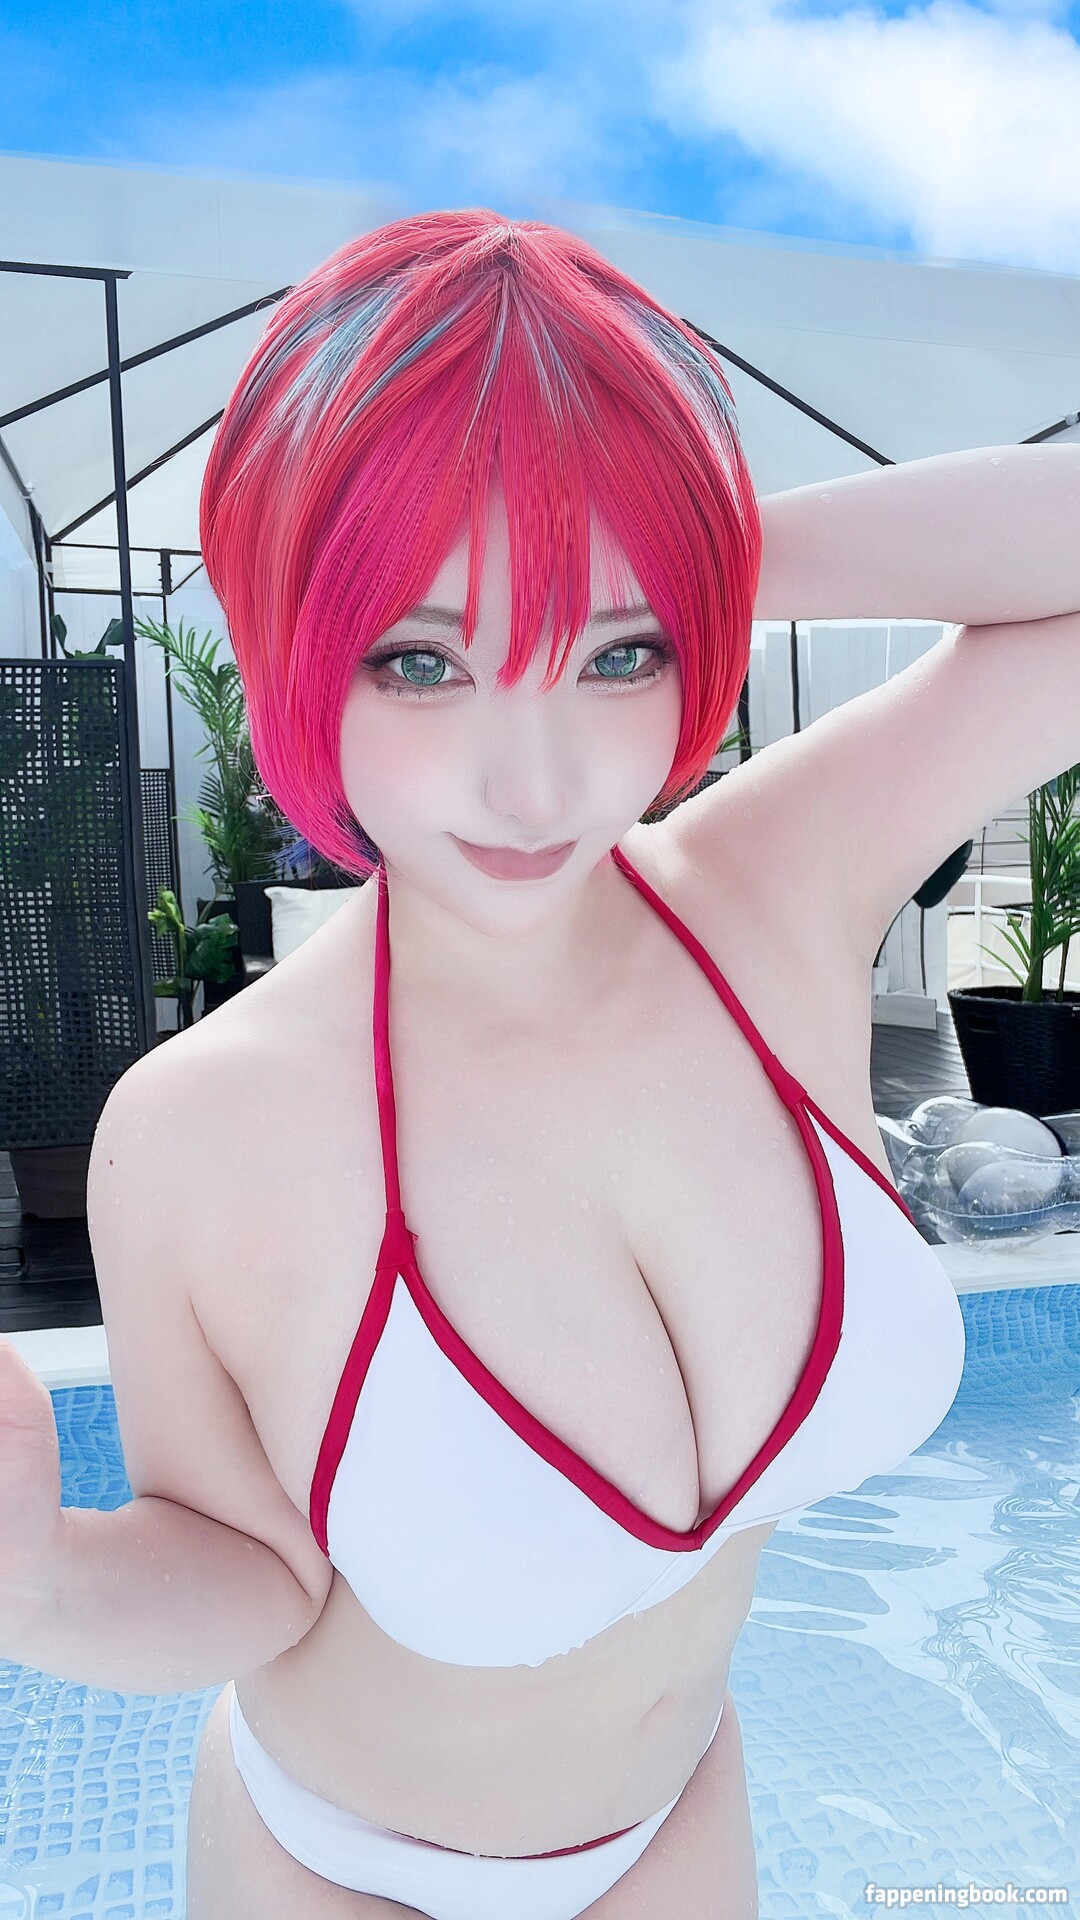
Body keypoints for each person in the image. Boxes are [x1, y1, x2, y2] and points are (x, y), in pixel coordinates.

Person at [28, 204, 1080, 1919]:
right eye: (422, 659)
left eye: (615, 654)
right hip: (335, 1868)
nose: (536, 783)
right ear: (302, 641)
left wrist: (681, 545)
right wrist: (40, 1583)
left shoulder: (774, 885)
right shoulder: (206, 1127)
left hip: (678, 1821)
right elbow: (253, 1574)